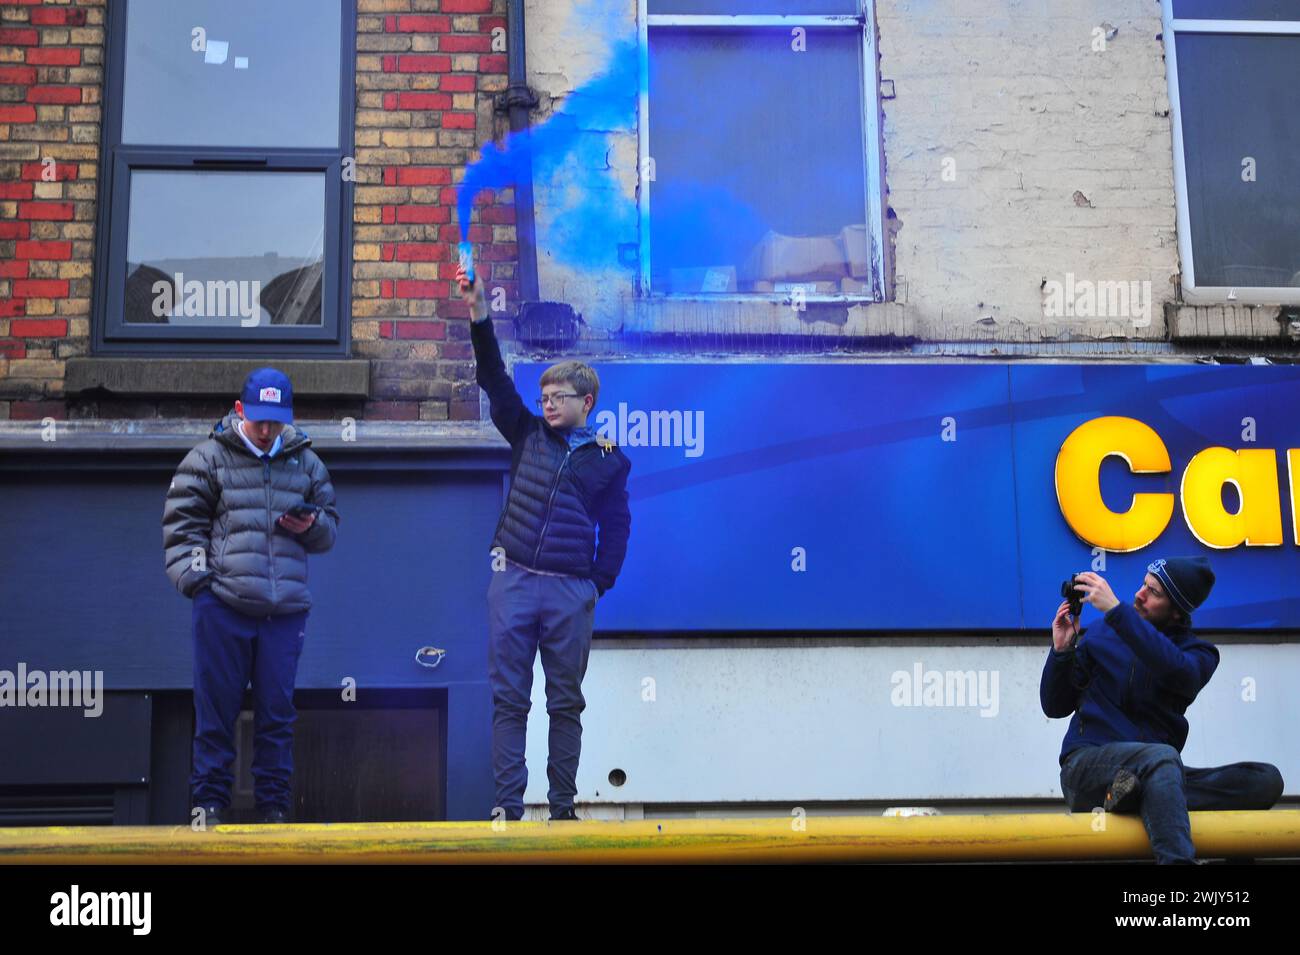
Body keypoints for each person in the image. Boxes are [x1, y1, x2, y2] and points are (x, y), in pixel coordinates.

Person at [456, 265, 632, 822]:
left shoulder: (610, 461)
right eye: (545, 395)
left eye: (559, 396)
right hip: (513, 583)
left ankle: (561, 811)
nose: (548, 403)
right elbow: (492, 376)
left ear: (588, 402)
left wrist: (595, 584)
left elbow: (619, 528)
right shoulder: (526, 432)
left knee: (565, 704)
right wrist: (479, 309)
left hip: (568, 593)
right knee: (510, 701)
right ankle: (508, 807)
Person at [162, 368, 339, 826]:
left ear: (288, 417)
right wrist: (200, 585)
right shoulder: (207, 459)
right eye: (258, 420)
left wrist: (313, 526)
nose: (266, 431)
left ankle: (274, 810)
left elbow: (329, 531)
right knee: (216, 710)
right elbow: (182, 529)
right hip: (223, 605)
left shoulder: (307, 463)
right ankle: (208, 807)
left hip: (284, 612)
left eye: (274, 421)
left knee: (277, 716)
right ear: (240, 411)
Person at [1040, 557, 1284, 863]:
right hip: (1087, 769)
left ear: (1177, 611)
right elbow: (1054, 705)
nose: (1140, 594)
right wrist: (1062, 651)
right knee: (1161, 758)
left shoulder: (1199, 654)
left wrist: (1117, 612)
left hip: (1152, 771)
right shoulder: (1101, 634)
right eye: (1144, 584)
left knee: (1263, 779)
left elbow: (1176, 672)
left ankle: (1137, 795)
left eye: (1154, 592)